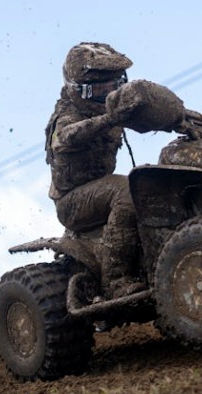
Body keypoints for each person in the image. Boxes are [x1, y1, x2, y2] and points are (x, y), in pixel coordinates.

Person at [44, 42, 145, 299]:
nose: (109, 95)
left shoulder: (115, 107)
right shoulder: (67, 114)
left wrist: (186, 121)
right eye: (99, 91)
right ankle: (116, 280)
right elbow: (67, 136)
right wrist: (109, 119)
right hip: (72, 201)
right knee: (125, 190)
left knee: (152, 180)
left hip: (99, 191)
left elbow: (152, 114)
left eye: (115, 86)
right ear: (78, 90)